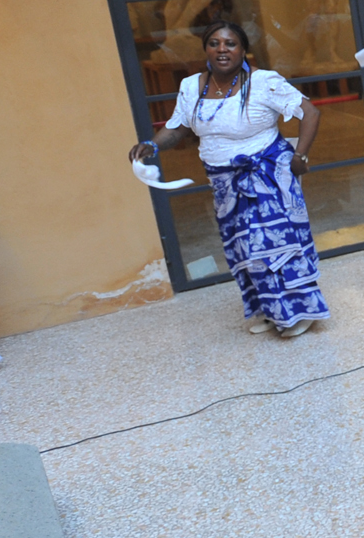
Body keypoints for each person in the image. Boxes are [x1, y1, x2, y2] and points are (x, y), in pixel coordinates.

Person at [128, 22, 330, 337]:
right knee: (241, 250)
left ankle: (297, 312)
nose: (222, 49)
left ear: (242, 50)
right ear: (205, 49)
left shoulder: (264, 83)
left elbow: (311, 113)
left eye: (231, 43)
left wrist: (300, 156)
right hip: (224, 183)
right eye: (214, 43)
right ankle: (267, 309)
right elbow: (178, 127)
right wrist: (152, 145)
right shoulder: (191, 87)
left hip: (267, 176)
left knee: (272, 246)